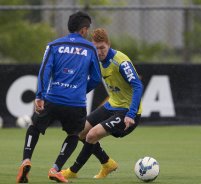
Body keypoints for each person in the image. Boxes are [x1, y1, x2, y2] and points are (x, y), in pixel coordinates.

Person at [16, 11, 101, 183]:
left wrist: (40, 95)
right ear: (84, 30)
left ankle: (26, 160)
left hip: (52, 98)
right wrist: (79, 90)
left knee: (35, 127)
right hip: (75, 103)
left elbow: (44, 71)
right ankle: (55, 169)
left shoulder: (54, 45)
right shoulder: (90, 48)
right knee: (73, 135)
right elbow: (97, 78)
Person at [61, 28, 143, 180]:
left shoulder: (120, 62)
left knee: (91, 135)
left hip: (128, 111)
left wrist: (131, 113)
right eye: (96, 48)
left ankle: (72, 171)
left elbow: (137, 85)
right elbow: (91, 81)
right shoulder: (95, 60)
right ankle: (107, 163)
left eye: (102, 48)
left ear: (108, 45)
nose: (99, 52)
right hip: (112, 105)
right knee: (79, 131)